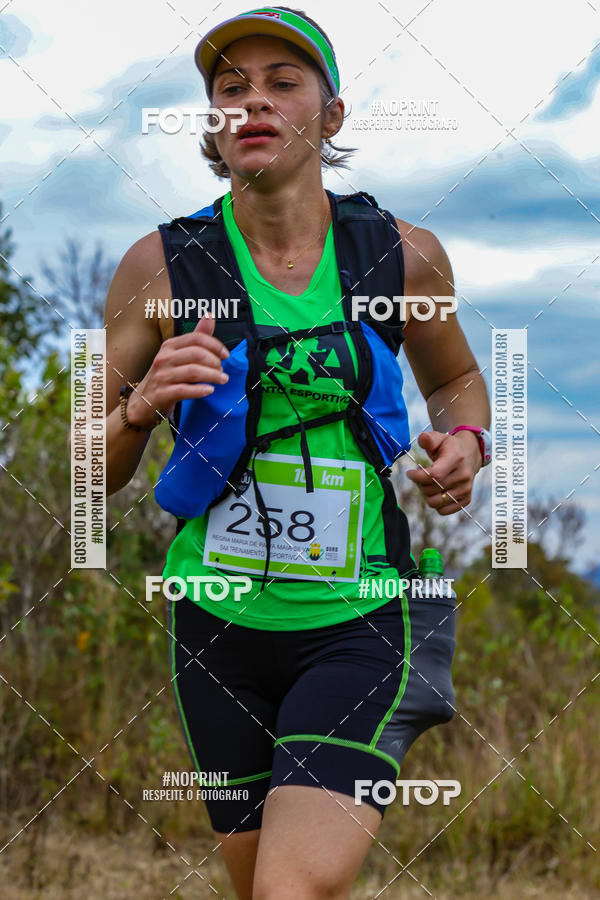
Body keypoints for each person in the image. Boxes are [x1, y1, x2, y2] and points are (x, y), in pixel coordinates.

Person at [104, 7, 491, 898]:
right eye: (231, 88)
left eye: (284, 82)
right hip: (217, 626)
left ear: (333, 115)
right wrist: (140, 406)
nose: (254, 102)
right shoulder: (157, 267)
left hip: (363, 619)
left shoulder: (401, 256)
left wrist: (465, 440)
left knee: (292, 889)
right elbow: (93, 466)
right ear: (212, 123)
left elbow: (460, 379)